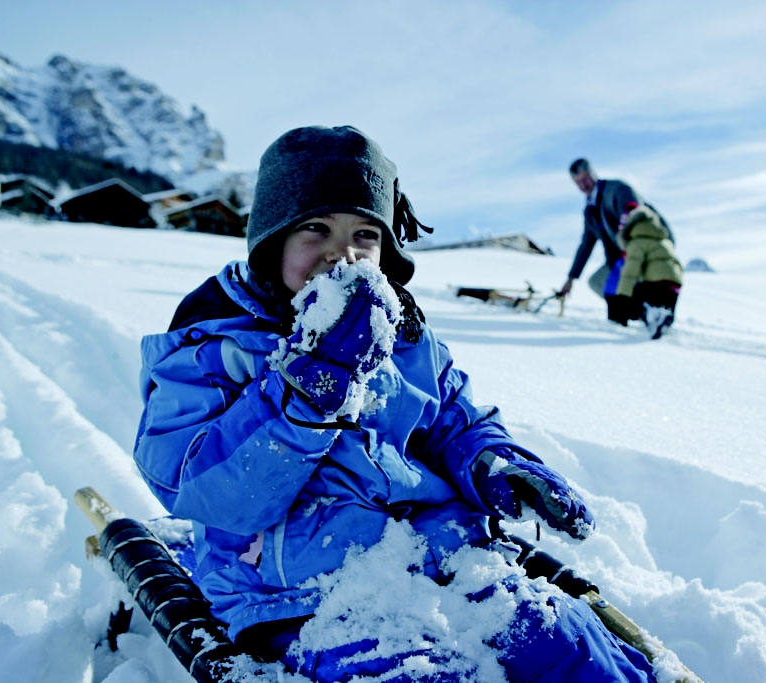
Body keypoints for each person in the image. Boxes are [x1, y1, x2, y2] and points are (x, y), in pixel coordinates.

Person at [132, 126, 658, 682]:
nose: (343, 252)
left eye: (365, 233)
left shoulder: (405, 339)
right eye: (315, 228)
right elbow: (195, 485)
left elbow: (454, 423)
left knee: (569, 648)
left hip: (451, 560)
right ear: (271, 242)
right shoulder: (219, 346)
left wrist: (496, 466)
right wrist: (302, 397)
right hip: (306, 593)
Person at [558, 158, 673, 326]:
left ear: (593, 174)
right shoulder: (590, 211)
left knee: (631, 281)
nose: (583, 185)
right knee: (597, 282)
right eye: (578, 183)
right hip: (619, 259)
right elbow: (585, 246)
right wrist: (571, 278)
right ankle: (642, 313)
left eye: (585, 179)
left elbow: (634, 210)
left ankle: (654, 312)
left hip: (644, 251)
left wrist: (629, 216)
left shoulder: (615, 190)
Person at [615, 202, 684, 339]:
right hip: (675, 284)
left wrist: (622, 297)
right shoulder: (663, 240)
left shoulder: (637, 241)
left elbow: (630, 272)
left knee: (639, 305)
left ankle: (655, 316)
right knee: (666, 311)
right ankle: (663, 319)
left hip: (654, 282)